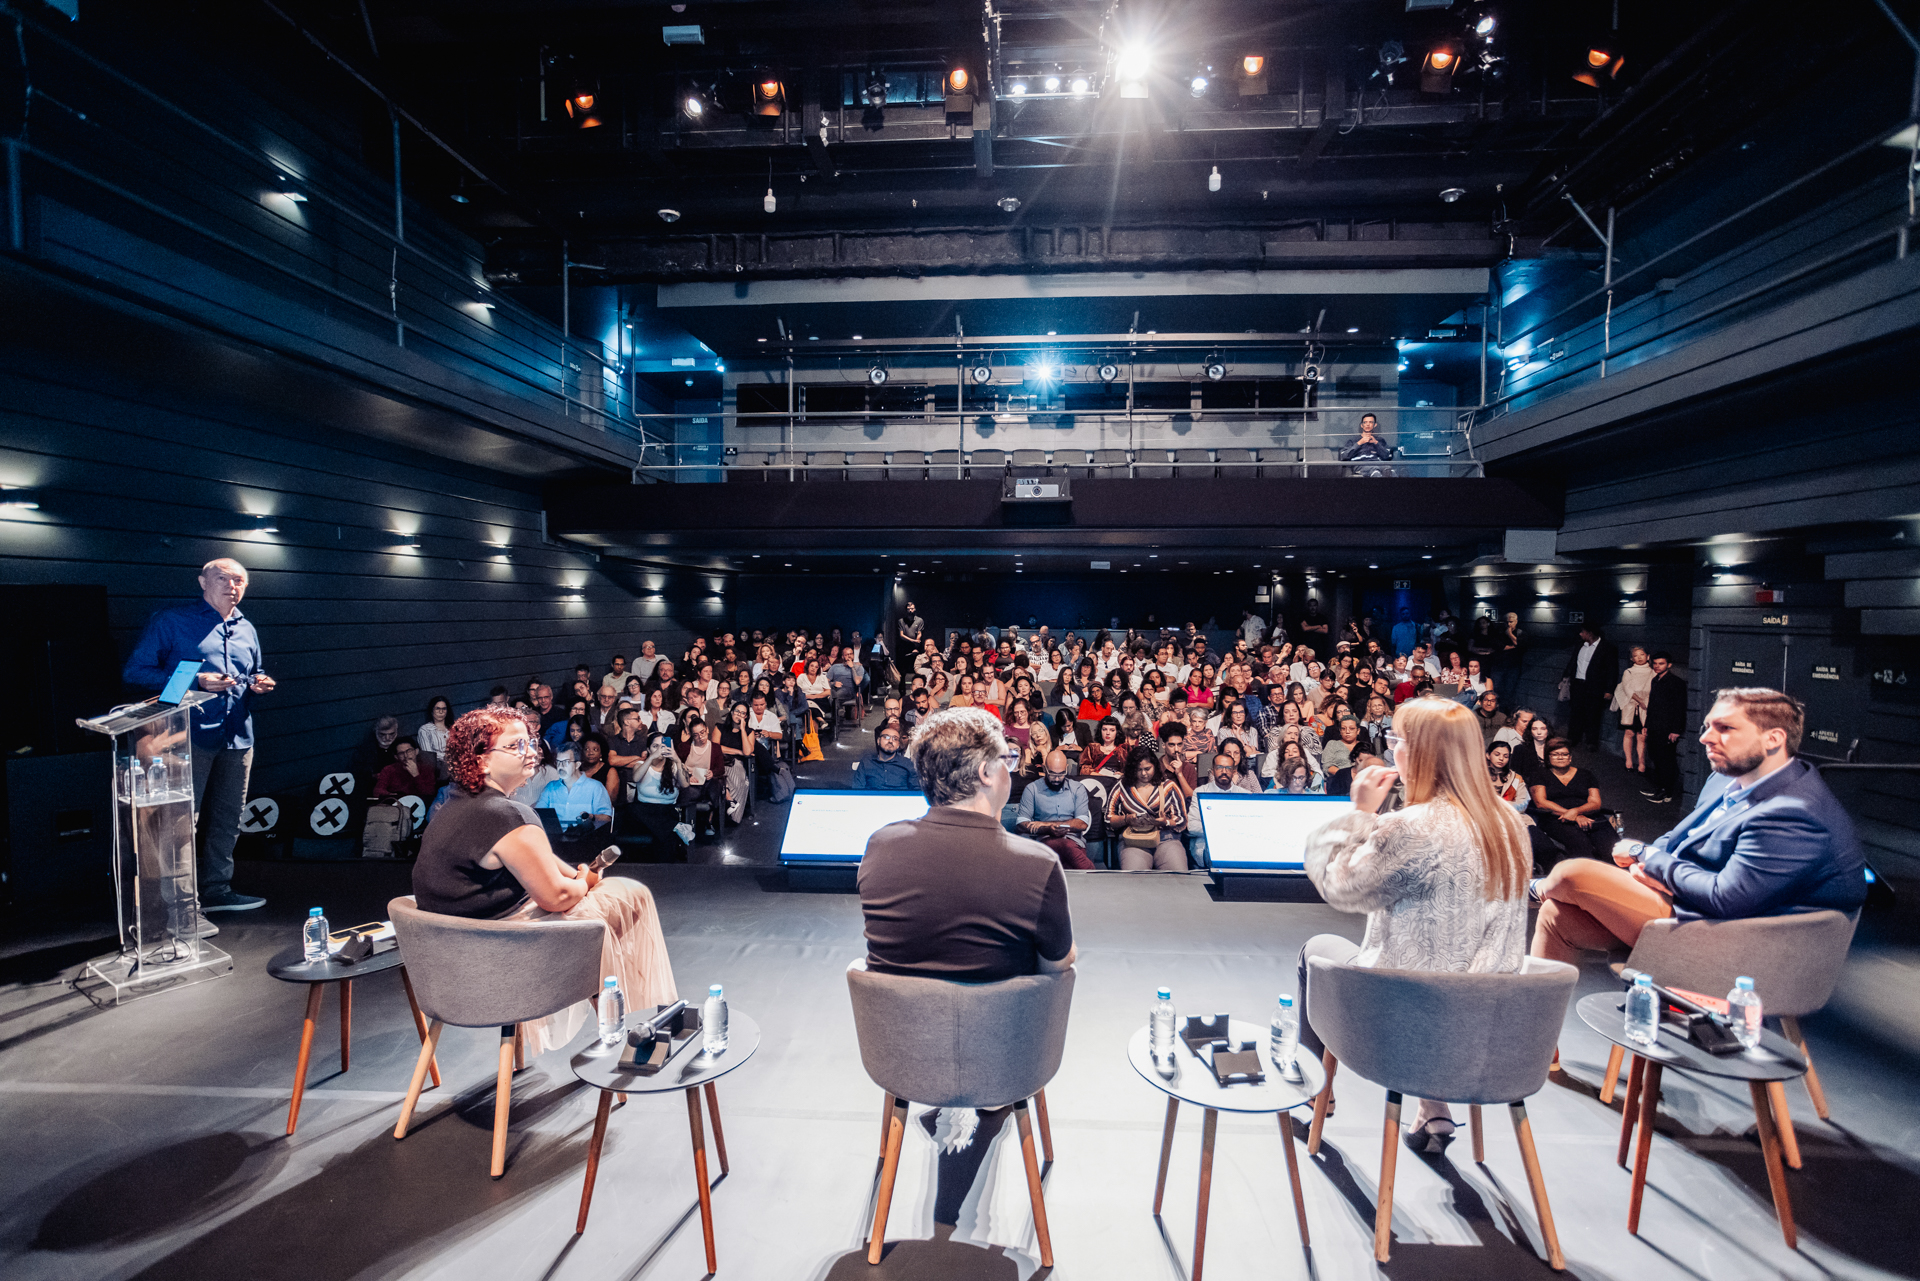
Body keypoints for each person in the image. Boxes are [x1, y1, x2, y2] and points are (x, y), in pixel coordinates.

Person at [1298, 698, 1531, 1152]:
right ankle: (1434, 1108)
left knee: (1316, 948)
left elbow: (1337, 885)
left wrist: (1360, 813)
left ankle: (1311, 1096)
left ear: (1419, 752)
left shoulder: (1411, 827)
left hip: (1406, 1029)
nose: (1391, 751)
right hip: (1493, 1030)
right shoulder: (1511, 823)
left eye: (1396, 741)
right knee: (1445, 967)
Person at [1531, 688, 1868, 965]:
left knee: (1572, 873)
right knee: (1557, 915)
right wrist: (1648, 863)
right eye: (1707, 726)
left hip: (1745, 946)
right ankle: (1540, 1047)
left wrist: (1645, 855)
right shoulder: (1724, 779)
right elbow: (1680, 838)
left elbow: (1727, 898)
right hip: (1688, 904)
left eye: (1724, 728)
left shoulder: (1794, 812)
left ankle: (1528, 889)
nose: (1706, 738)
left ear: (1773, 739)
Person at [413, 708, 674, 1055]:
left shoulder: (455, 807)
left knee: (603, 901)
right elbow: (558, 895)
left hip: (452, 967)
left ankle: (615, 1009)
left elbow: (542, 862)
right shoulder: (508, 815)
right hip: (509, 957)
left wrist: (577, 874)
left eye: (530, 742)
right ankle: (631, 1027)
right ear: (482, 761)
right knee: (631, 896)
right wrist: (583, 880)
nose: (532, 752)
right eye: (516, 745)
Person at [859, 707, 1076, 982]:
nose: (1009, 771)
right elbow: (1057, 966)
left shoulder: (879, 847)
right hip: (1005, 1022)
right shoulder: (1038, 864)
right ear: (986, 772)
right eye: (1006, 761)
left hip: (899, 1024)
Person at [122, 558, 276, 925]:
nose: (232, 585)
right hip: (185, 738)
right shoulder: (172, 621)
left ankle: (218, 890)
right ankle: (181, 908)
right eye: (222, 578)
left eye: (239, 580)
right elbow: (135, 671)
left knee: (228, 819)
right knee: (180, 824)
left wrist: (260, 682)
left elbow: (253, 672)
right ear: (202, 582)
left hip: (238, 737)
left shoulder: (247, 628)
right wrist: (196, 681)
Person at [1528, 738, 1615, 863]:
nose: (1560, 757)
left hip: (1590, 816)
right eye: (1555, 754)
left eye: (1564, 754)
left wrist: (1576, 812)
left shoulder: (1586, 774)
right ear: (1548, 757)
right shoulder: (1539, 775)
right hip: (1556, 818)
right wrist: (1572, 815)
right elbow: (1541, 803)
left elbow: (1595, 803)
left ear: (1570, 757)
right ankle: (1585, 879)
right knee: (1580, 844)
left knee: (1612, 848)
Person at [1106, 747, 1190, 871]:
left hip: (1166, 839)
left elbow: (1182, 820)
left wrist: (1165, 822)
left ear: (1155, 766)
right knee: (1135, 878)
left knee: (1178, 876)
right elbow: (1108, 819)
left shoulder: (1168, 786)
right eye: (1139, 770)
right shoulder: (1121, 787)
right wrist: (1126, 819)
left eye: (1147, 769)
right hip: (1133, 840)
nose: (1144, 773)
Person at [1016, 749, 1095, 870]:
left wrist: (1046, 824)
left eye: (1061, 774)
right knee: (1066, 848)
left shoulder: (1077, 788)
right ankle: (1094, 876)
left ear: (1067, 768)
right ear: (1044, 768)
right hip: (1045, 841)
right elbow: (1021, 823)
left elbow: (1082, 823)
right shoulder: (1032, 789)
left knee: (1068, 850)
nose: (1057, 779)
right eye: (1052, 774)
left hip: (1073, 841)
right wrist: (1047, 830)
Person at [537, 743, 614, 854]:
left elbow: (607, 818)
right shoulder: (550, 787)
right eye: (558, 762)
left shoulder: (595, 787)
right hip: (555, 845)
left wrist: (591, 817)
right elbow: (539, 813)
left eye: (566, 762)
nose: (560, 767)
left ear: (577, 764)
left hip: (585, 844)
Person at [1641, 653, 1689, 804]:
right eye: (1655, 663)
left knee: (1666, 760)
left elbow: (1680, 707)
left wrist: (1676, 730)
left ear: (1669, 665)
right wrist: (1647, 725)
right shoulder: (1655, 680)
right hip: (1655, 727)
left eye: (1661, 663)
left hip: (1668, 729)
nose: (1657, 666)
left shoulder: (1676, 683)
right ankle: (1659, 788)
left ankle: (1666, 792)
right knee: (1655, 757)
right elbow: (1652, 706)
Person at [1563, 625, 1619, 751]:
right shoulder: (1580, 645)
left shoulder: (1607, 648)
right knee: (1575, 712)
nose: (1580, 634)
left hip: (1595, 686)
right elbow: (1573, 662)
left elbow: (1612, 670)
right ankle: (1573, 738)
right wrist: (1566, 677)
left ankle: (1591, 742)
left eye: (1583, 632)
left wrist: (1609, 690)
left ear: (1590, 633)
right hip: (1578, 683)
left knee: (1593, 714)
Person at [1612, 645, 1655, 774]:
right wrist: (1640, 700)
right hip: (1630, 706)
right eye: (1636, 656)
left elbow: (1651, 689)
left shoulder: (1652, 672)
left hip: (1646, 708)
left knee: (1642, 736)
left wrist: (1645, 702)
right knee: (1629, 733)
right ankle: (1629, 761)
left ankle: (1641, 763)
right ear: (1632, 659)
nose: (1639, 658)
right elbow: (1627, 688)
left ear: (1647, 656)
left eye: (1642, 655)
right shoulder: (1628, 672)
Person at [852, 723, 921, 791]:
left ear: (898, 744)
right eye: (886, 737)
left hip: (900, 800)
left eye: (895, 739)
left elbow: (916, 791)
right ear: (878, 741)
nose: (890, 741)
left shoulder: (908, 764)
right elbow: (857, 790)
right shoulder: (867, 762)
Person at [375, 737, 438, 804]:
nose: (406, 756)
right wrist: (394, 796)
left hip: (419, 805)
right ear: (396, 757)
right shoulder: (389, 770)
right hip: (396, 806)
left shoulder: (426, 769)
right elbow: (377, 791)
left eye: (409, 751)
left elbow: (429, 794)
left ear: (416, 751)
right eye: (401, 753)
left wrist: (416, 775)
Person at [416, 695, 453, 767]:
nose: (441, 712)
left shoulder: (453, 728)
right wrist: (448, 758)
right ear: (432, 710)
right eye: (437, 709)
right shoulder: (425, 730)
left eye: (444, 709)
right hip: (438, 768)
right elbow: (428, 755)